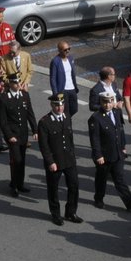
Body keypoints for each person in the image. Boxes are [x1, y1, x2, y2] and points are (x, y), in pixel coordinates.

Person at [35, 92, 82, 225]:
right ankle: (56, 214)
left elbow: (70, 139)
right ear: (51, 105)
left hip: (69, 159)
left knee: (74, 185)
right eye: (56, 105)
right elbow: (44, 145)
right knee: (53, 188)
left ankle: (71, 212)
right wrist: (50, 162)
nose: (59, 108)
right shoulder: (44, 122)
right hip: (55, 162)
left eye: (61, 105)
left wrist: (73, 155)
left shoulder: (67, 117)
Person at [88, 93, 131, 211]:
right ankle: (98, 199)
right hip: (104, 156)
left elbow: (119, 130)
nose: (108, 104)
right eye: (105, 102)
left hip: (117, 153)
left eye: (110, 101)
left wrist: (123, 146)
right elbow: (94, 139)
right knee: (101, 179)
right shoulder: (95, 118)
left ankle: (129, 202)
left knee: (120, 179)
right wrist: (98, 155)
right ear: (101, 102)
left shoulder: (116, 112)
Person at [0, 74, 37, 196]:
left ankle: (20, 183)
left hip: (23, 134)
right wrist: (9, 135)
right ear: (10, 84)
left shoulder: (25, 95)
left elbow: (30, 114)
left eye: (19, 82)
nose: (19, 85)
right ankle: (13, 185)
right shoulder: (3, 98)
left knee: (22, 160)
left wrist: (35, 130)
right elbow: (2, 121)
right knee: (16, 160)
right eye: (16, 83)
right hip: (12, 134)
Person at [49, 41, 80, 119]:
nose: (67, 51)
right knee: (65, 110)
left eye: (68, 49)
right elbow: (52, 78)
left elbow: (72, 74)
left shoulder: (70, 58)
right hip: (63, 90)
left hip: (72, 88)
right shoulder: (55, 61)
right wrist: (55, 93)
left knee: (74, 109)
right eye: (65, 50)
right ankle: (66, 125)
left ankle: (66, 120)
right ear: (59, 50)